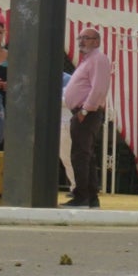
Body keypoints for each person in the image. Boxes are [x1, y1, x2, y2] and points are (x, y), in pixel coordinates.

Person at [60, 27, 111, 209]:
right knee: (85, 156)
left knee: (81, 156)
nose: (82, 41)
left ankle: (82, 197)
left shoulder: (99, 59)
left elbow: (99, 89)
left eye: (87, 38)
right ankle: (89, 198)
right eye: (80, 38)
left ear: (96, 41)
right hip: (82, 112)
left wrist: (85, 111)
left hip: (86, 113)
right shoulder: (88, 61)